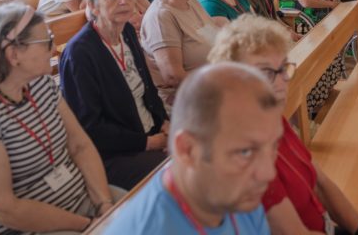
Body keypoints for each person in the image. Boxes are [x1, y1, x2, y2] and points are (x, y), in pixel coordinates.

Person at [0, 3, 116, 234]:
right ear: (13, 54)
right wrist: (87, 226)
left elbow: (80, 145)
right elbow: (4, 209)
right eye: (46, 41)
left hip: (83, 206)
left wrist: (106, 206)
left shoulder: (37, 82)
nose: (53, 49)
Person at [208, 16, 358, 235]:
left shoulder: (273, 118)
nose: (283, 81)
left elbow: (321, 182)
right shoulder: (243, 157)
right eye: (266, 73)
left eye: (283, 68)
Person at [102, 63, 281, 234]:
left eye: (273, 146)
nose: (268, 173)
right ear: (187, 150)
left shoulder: (239, 196)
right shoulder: (149, 228)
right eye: (245, 152)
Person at [59, 0, 169, 190]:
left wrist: (163, 122)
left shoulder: (126, 31)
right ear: (93, 5)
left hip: (149, 133)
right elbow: (90, 126)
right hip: (113, 154)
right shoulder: (80, 53)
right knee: (181, 173)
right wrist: (147, 142)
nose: (123, 1)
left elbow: (147, 88)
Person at [141, 0, 218, 108]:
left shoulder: (191, 1)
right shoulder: (161, 15)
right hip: (182, 98)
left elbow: (213, 37)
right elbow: (173, 77)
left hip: (210, 83)